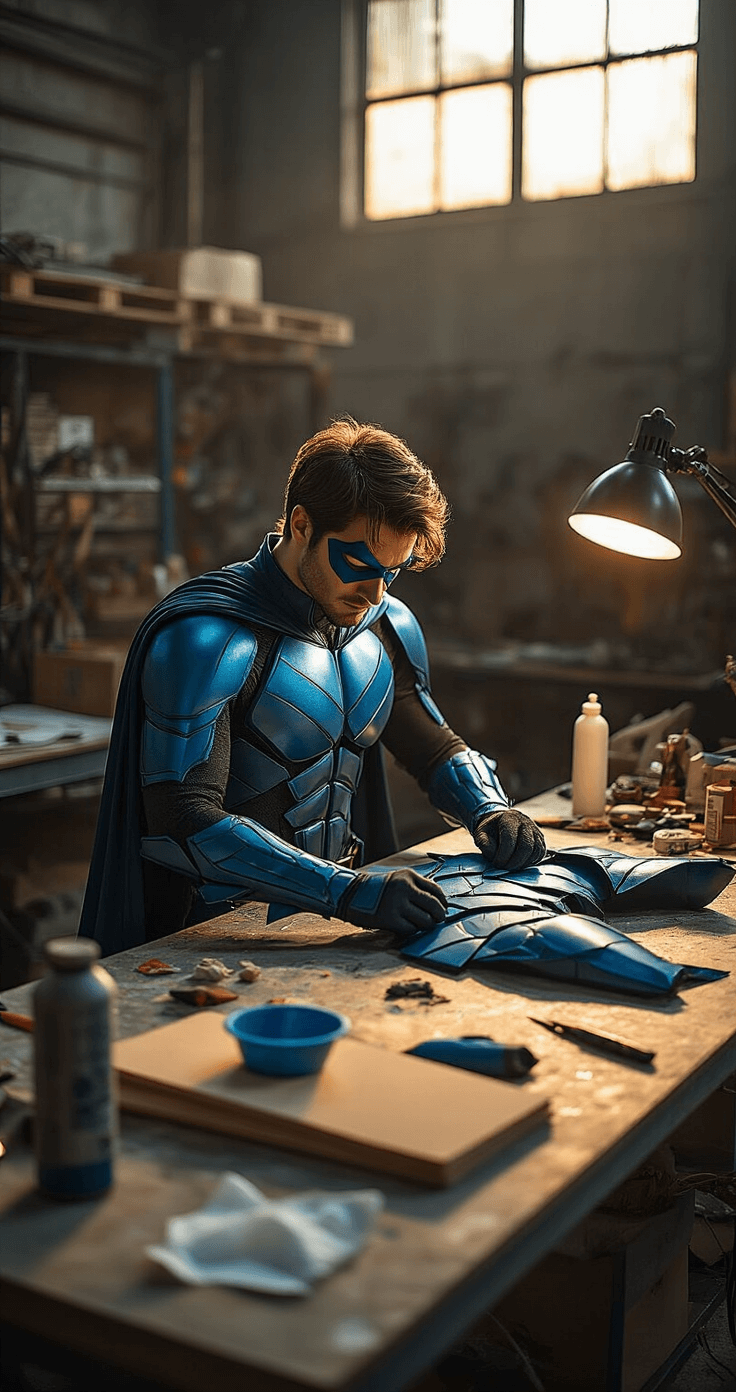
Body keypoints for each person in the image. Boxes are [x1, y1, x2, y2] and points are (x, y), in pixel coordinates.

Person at [80, 420, 545, 956]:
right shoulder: (208, 638)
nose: (373, 594)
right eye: (357, 564)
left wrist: (489, 809)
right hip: (219, 935)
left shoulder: (385, 625)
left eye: (392, 572)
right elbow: (184, 820)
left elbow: (429, 744)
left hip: (342, 922)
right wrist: (346, 892)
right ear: (301, 524)